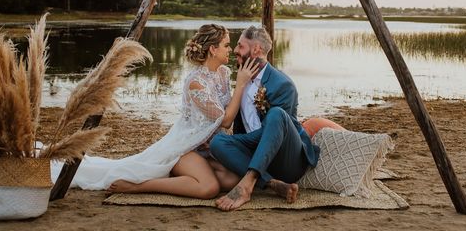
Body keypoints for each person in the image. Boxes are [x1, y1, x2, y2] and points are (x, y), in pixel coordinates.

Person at [50, 24, 260, 199]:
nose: (230, 50)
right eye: (226, 45)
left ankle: (184, 177)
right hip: (186, 148)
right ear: (213, 50)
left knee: (232, 180)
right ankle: (139, 186)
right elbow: (225, 121)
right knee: (209, 188)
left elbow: (223, 116)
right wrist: (241, 84)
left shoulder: (223, 73)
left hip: (208, 146)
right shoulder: (196, 82)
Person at [209, 26, 320, 211]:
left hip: (287, 160)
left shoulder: (283, 84)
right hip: (255, 155)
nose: (235, 50)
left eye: (240, 46)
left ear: (256, 49)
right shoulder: (242, 79)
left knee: (276, 114)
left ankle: (247, 185)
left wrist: (241, 142)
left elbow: (277, 132)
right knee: (218, 141)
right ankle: (272, 184)